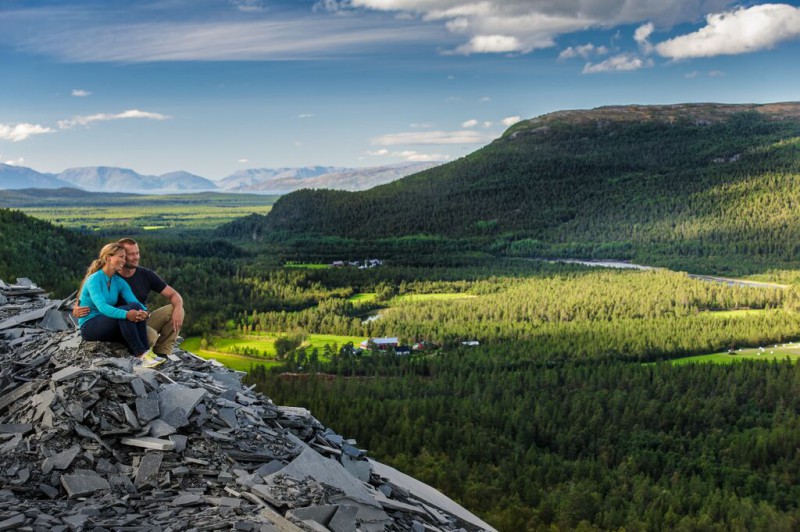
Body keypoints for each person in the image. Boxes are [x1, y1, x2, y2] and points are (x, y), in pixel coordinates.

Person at [74, 238, 185, 357]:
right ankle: (141, 353)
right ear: (109, 258)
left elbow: (134, 301)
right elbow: (94, 302)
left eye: (137, 253)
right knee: (147, 332)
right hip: (105, 322)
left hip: (130, 319)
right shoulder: (100, 276)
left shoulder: (122, 280)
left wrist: (145, 312)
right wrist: (76, 308)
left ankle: (156, 354)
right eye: (129, 254)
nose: (136, 257)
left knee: (139, 307)